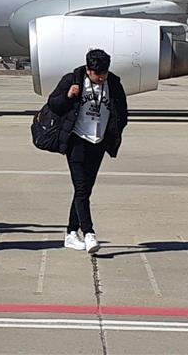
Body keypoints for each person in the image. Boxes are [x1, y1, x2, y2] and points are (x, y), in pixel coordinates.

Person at [47, 49, 129, 255]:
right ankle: (89, 232)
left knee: (85, 190)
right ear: (88, 69)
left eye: (104, 73)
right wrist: (68, 96)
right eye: (96, 74)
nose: (101, 78)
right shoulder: (72, 80)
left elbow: (122, 112)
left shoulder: (114, 84)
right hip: (76, 140)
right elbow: (53, 104)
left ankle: (70, 233)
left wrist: (114, 132)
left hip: (99, 142)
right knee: (82, 189)